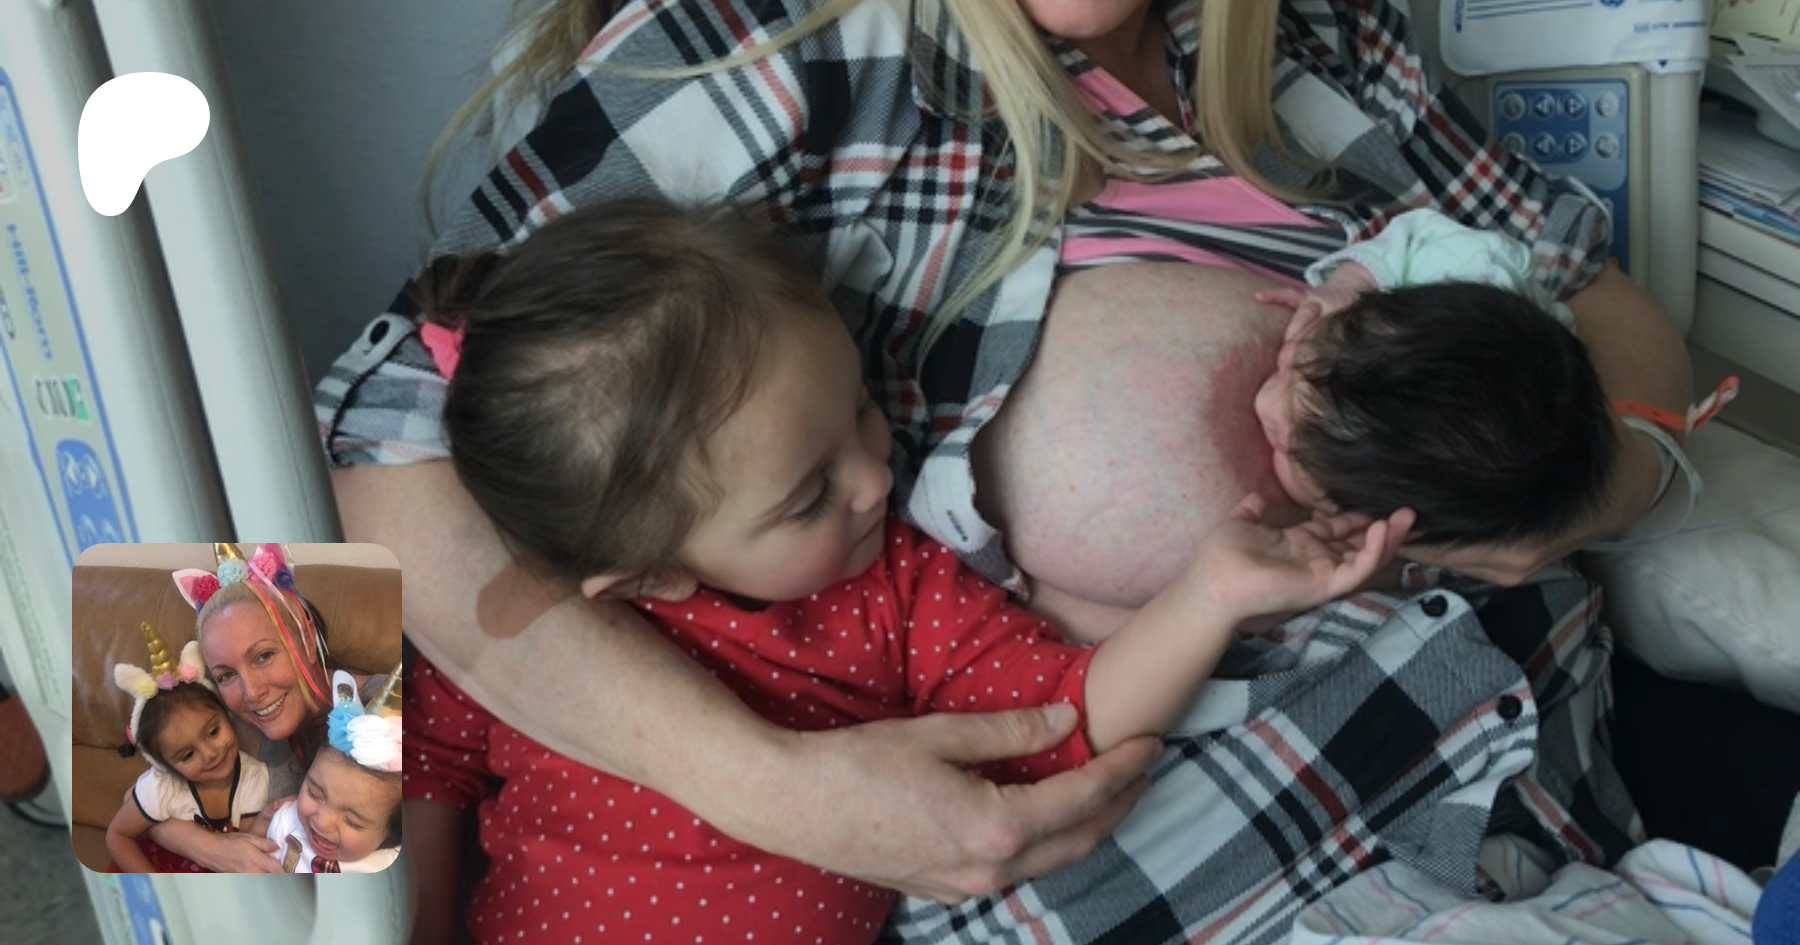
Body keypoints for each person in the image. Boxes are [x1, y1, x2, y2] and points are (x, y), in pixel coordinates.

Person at [314, 0, 1692, 937]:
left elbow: (1600, 291)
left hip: (1536, 771)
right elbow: (370, 441)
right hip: (1227, 865)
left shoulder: (1327, 39)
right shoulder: (799, 45)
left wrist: (1582, 489)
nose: (862, 481)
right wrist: (764, 783)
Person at [401, 196, 1413, 943]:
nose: (874, 478)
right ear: (640, 579)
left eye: (858, 409)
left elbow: (1064, 718)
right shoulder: (518, 615)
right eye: (808, 496)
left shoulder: (889, 588)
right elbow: (414, 757)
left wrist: (1211, 594)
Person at [1250, 207, 1618, 553]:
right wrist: (1350, 282)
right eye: (1288, 365)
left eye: (1282, 441)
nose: (1262, 401)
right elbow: (1420, 234)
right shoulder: (1469, 267)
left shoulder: (1411, 519)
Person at [141, 543, 392, 874]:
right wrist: (213, 849)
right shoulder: (232, 729)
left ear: (306, 639)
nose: (252, 693)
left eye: (263, 656)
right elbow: (144, 802)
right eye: (226, 675)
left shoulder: (390, 714)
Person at [104, 626, 270, 873]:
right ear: (166, 766)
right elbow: (117, 835)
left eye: (213, 732)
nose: (211, 754)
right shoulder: (162, 786)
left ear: (226, 715)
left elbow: (243, 855)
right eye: (188, 755)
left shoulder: (253, 778)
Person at [252, 671, 403, 873]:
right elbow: (251, 857)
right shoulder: (288, 819)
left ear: (393, 831)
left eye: (352, 821)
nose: (322, 823)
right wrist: (261, 825)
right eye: (314, 793)